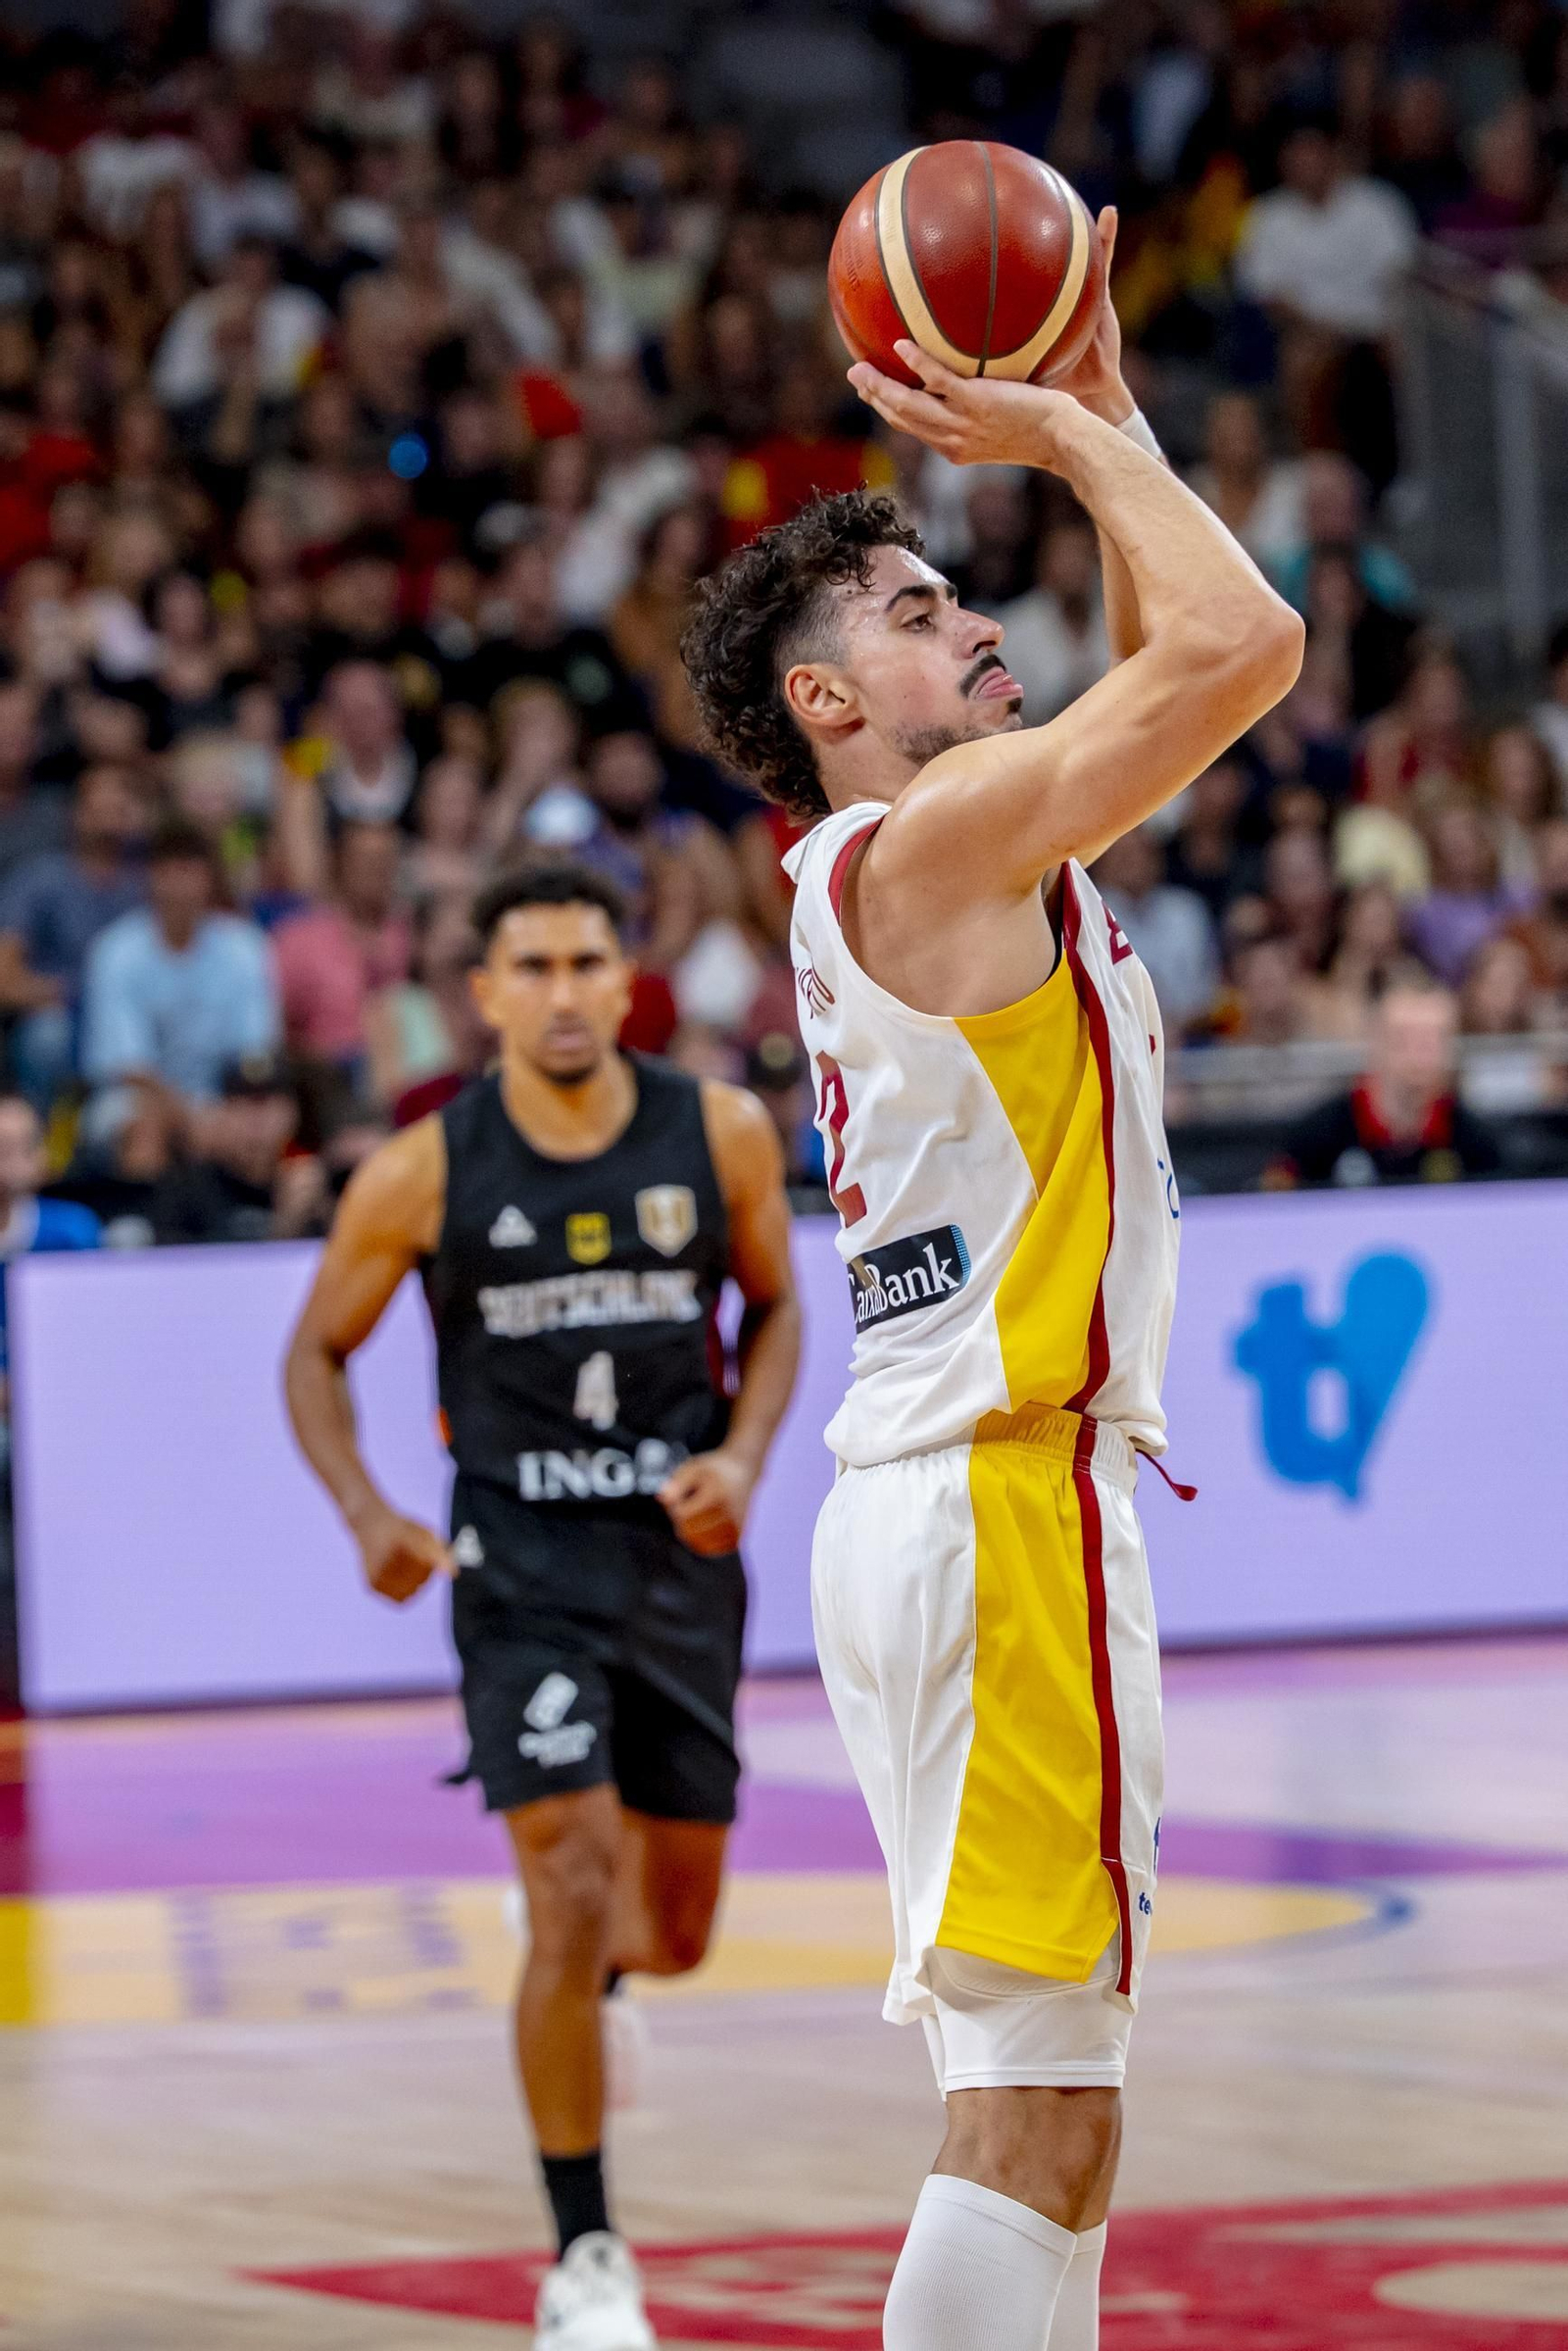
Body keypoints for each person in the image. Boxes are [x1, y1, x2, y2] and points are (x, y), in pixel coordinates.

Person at [680, 216, 1301, 2351]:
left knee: (1051, 2105)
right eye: (920, 609)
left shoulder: (941, 860)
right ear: (826, 699)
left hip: (955, 1500)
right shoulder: (925, 852)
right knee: (1032, 2111)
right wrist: (1062, 426)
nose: (979, 626)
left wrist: (1108, 421)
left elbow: (1168, 674)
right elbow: (1241, 644)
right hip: (993, 1501)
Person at [283, 860, 800, 2350]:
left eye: (589, 960)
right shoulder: (428, 1167)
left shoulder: (717, 1132)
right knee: (568, 1877)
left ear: (625, 974)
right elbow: (313, 1352)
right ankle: (584, 2252)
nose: (565, 990)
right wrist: (370, 1511)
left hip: (678, 1559)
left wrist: (745, 1453)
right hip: (519, 1571)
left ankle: (608, 1968)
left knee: (676, 1924)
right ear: (485, 990)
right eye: (535, 965)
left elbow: (772, 1309)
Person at [80, 818, 278, 1125]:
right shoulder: (116, 951)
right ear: (152, 877)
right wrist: (190, 1116)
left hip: (227, 1099)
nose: (181, 886)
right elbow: (128, 1068)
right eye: (170, 871)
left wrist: (229, 1113)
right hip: (141, 1098)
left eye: (190, 871)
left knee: (270, 1117)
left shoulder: (245, 947)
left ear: (209, 879)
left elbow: (254, 1053)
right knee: (141, 1122)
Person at [1268, 982, 1501, 1189]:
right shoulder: (1321, 1136)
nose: (1419, 1056)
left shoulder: (1474, 1143)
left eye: (1432, 1041)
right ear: (1376, 1044)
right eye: (1404, 1040)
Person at [0, 1088, 99, 1381]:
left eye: (24, 1148)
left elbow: (91, 1337)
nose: (9, 1165)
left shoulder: (72, 1233)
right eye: (2, 1149)